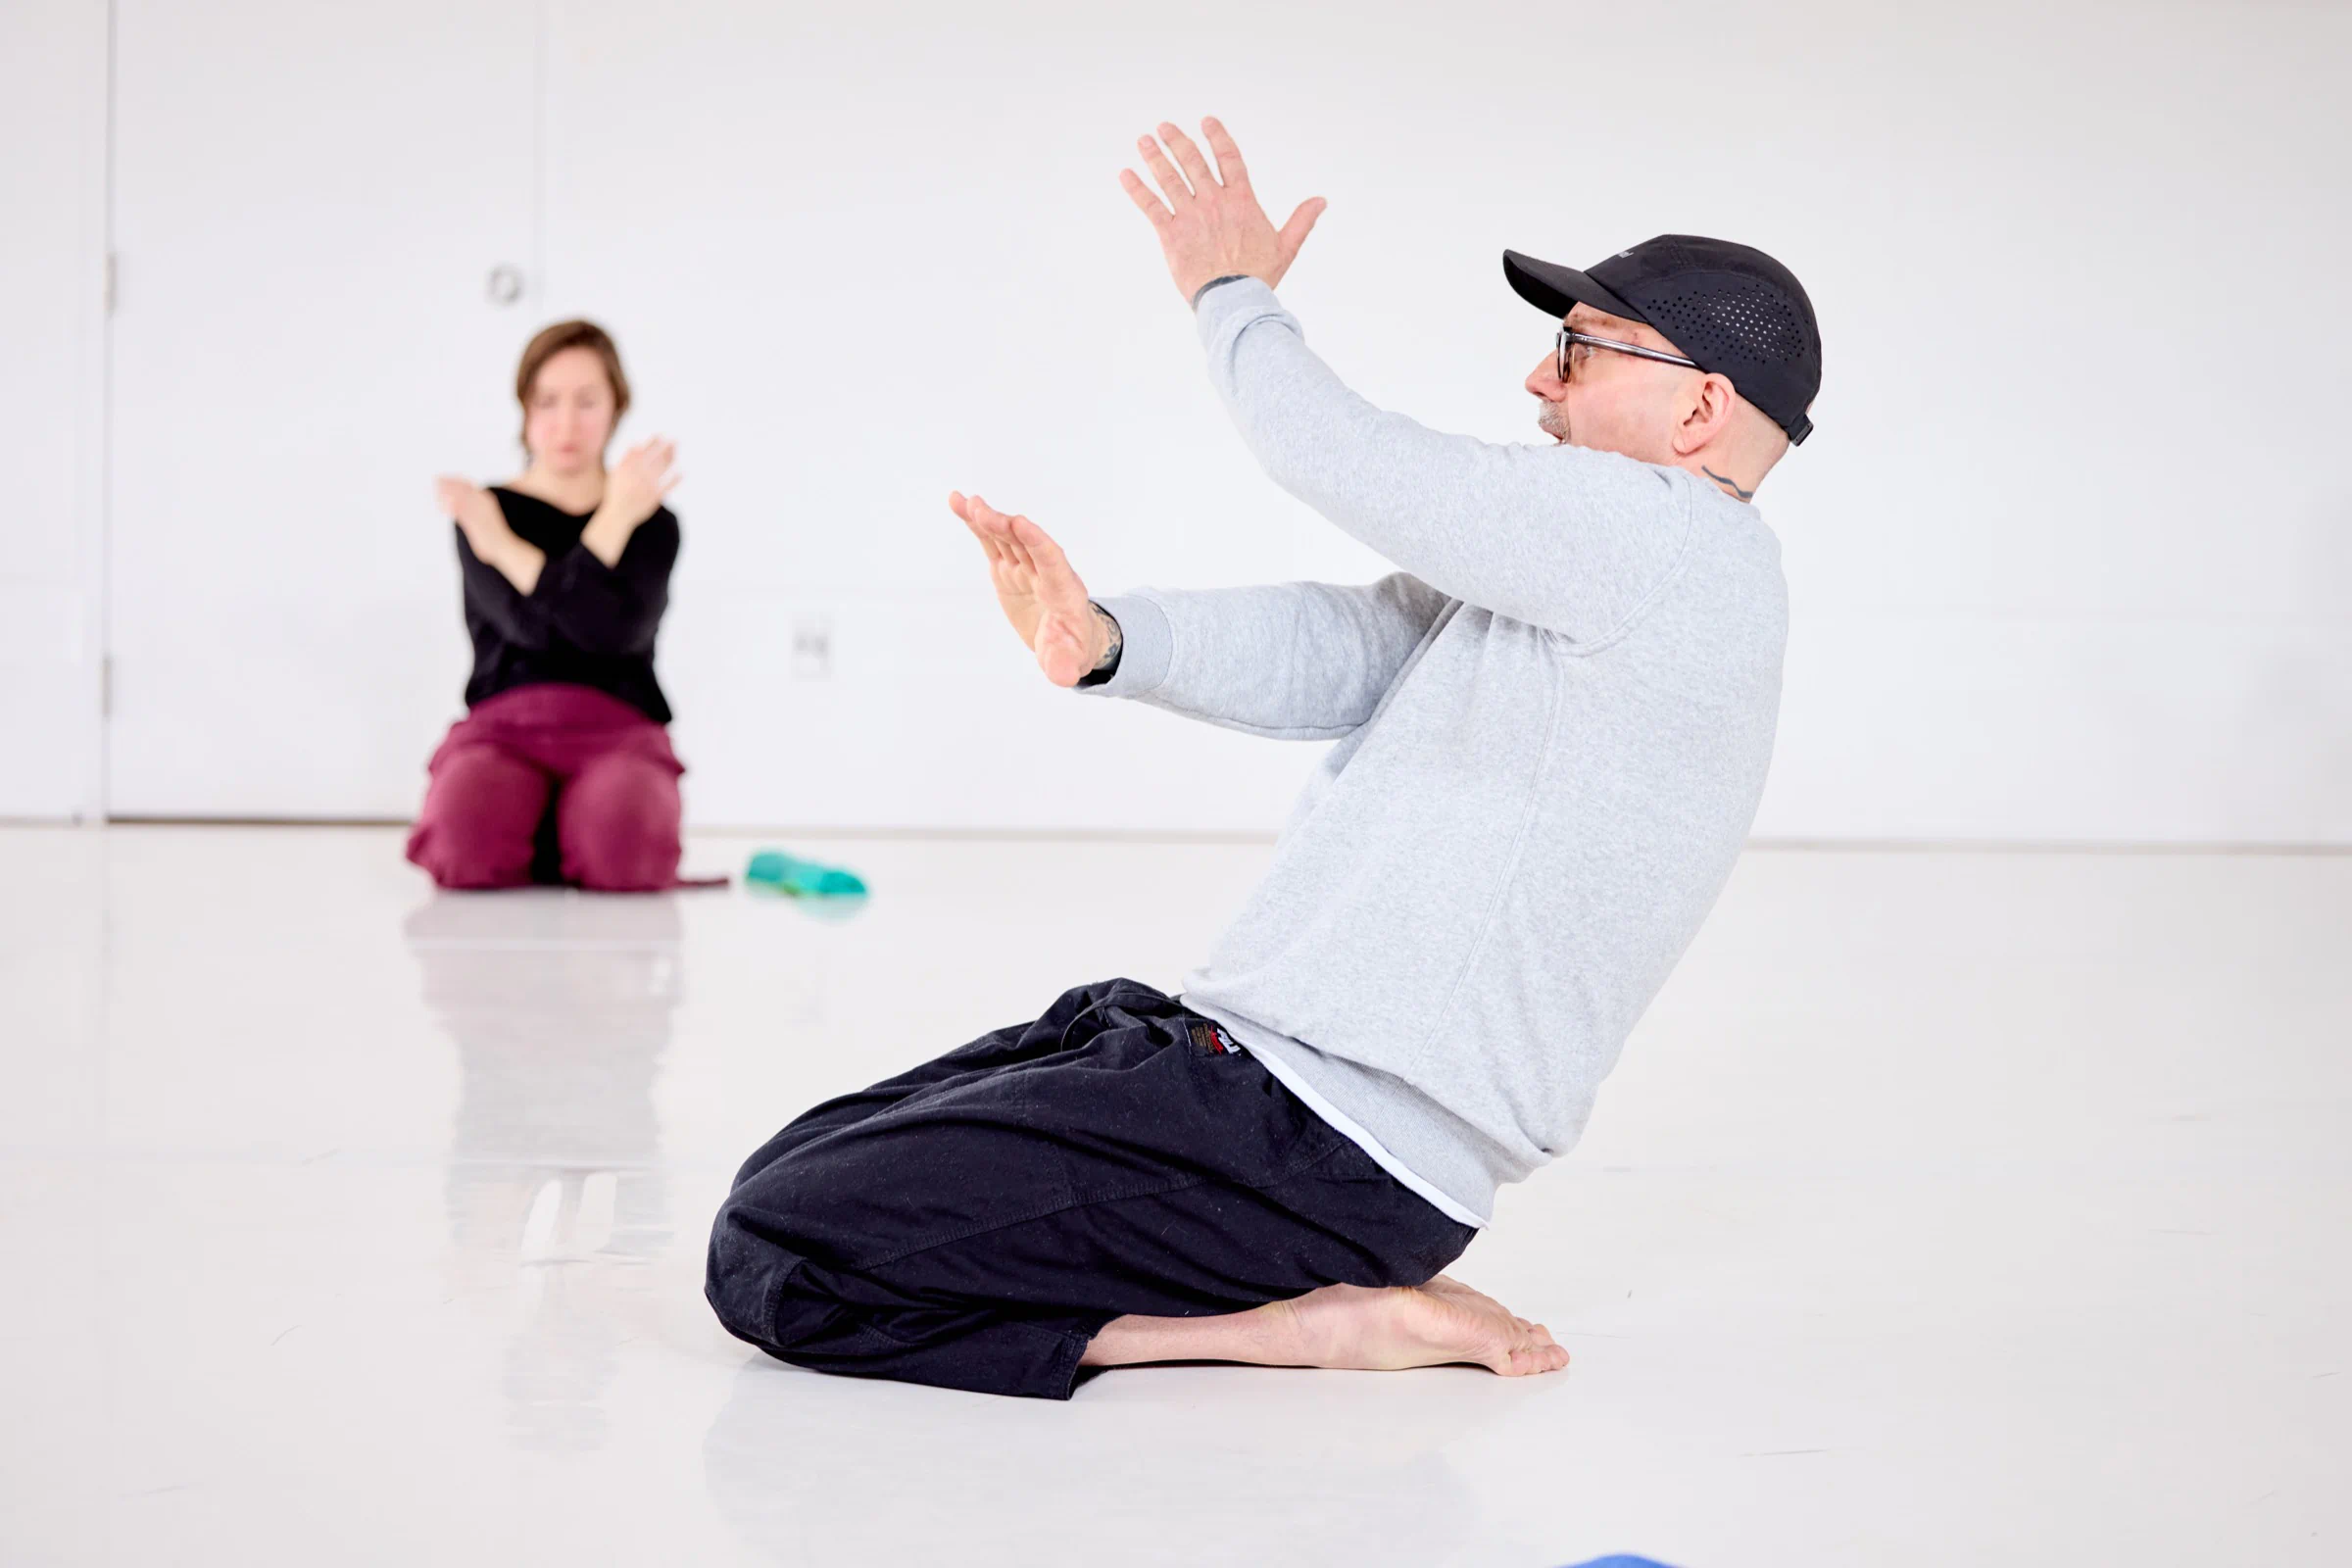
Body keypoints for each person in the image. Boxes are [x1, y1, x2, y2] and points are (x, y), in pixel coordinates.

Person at [707, 119, 1818, 1399]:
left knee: (774, 1251)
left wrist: (1229, 292)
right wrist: (1109, 639)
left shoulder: (1670, 545)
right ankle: (1295, 1286)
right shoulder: (1623, 576)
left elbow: (1341, 456)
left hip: (1311, 1144)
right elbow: (1350, 647)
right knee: (792, 1171)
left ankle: (1290, 1324)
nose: (1538, 380)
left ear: (1700, 408)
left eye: (1578, 348)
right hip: (1250, 1081)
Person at [407, 319, 693, 893]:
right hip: (502, 729)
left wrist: (515, 546)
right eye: (547, 402)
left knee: (627, 858)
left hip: (619, 729)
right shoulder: (483, 510)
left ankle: (570, 826)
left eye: (587, 402)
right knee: (462, 851)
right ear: (524, 407)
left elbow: (612, 635)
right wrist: (494, 534)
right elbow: (529, 630)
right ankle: (555, 824)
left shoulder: (651, 522)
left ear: (616, 407)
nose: (566, 424)